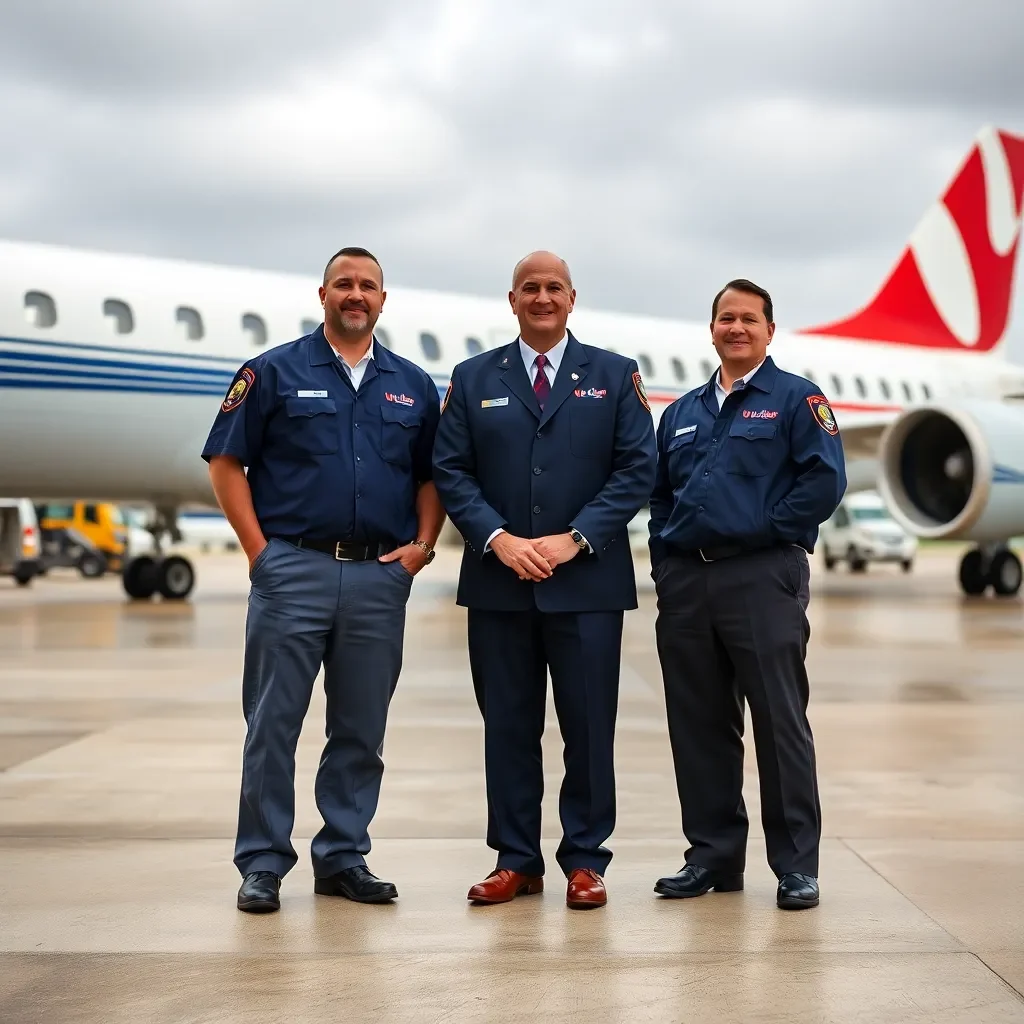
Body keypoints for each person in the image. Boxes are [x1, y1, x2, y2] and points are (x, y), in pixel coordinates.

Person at [202, 246, 445, 913]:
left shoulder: (413, 385)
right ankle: (262, 863)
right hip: (294, 572)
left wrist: (422, 547)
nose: (356, 294)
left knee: (360, 729)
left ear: (383, 300)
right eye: (344, 283)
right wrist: (260, 554)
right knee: (272, 724)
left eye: (368, 285)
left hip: (378, 577)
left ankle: (343, 856)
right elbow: (225, 464)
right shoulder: (274, 372)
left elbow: (433, 477)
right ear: (324, 295)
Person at [432, 251, 657, 910]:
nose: (541, 297)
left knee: (588, 728)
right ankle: (515, 859)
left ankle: (586, 861)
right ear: (512, 300)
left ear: (572, 297)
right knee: (507, 725)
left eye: (552, 287)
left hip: (586, 584)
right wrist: (498, 539)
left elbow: (636, 469)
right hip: (500, 583)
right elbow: (452, 471)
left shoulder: (614, 376)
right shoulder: (474, 378)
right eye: (529, 288)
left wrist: (574, 538)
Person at [648, 278, 845, 910]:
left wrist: (761, 531)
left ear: (769, 330)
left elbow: (823, 482)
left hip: (762, 577)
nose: (737, 328)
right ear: (711, 330)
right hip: (688, 583)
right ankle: (712, 856)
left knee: (779, 721)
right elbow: (659, 497)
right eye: (725, 319)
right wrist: (665, 562)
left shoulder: (796, 399)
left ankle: (796, 866)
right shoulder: (681, 413)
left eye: (749, 320)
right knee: (699, 724)